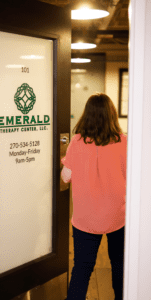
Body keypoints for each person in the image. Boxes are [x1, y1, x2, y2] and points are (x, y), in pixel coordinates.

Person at [61, 93, 127, 300]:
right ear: (112, 115)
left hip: (85, 218)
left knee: (82, 268)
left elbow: (66, 177)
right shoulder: (124, 142)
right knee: (119, 265)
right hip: (118, 215)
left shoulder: (77, 142)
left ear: (86, 115)